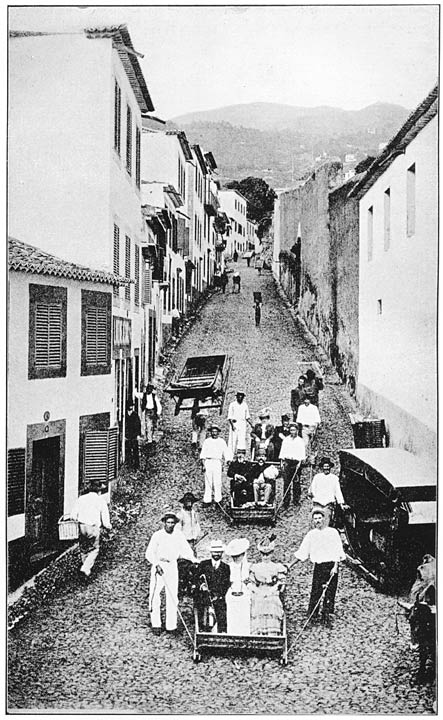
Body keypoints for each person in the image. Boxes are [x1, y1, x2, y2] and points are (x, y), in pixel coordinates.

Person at [145, 510, 197, 634]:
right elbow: (149, 553)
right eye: (168, 522)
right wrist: (156, 564)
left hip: (172, 566)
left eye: (172, 523)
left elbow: (186, 550)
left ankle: (171, 625)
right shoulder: (157, 535)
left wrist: (194, 560)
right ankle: (156, 624)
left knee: (173, 595)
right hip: (159, 566)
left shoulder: (178, 535)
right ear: (164, 523)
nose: (170, 525)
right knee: (155, 595)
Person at [292, 508, 346, 626]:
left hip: (331, 566)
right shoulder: (311, 535)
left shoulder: (333, 532)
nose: (317, 521)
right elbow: (302, 552)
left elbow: (338, 550)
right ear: (313, 521)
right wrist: (290, 565)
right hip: (319, 566)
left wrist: (335, 567)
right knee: (316, 590)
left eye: (319, 518)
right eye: (315, 519)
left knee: (330, 592)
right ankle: (312, 615)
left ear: (324, 519)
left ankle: (326, 616)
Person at [70, 480, 112, 579]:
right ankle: (85, 568)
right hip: (93, 528)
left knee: (84, 549)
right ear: (99, 491)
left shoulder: (81, 499)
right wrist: (108, 526)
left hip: (82, 527)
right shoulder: (101, 501)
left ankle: (85, 571)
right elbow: (105, 520)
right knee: (95, 549)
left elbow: (73, 516)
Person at [249, 537, 288, 635]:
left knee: (272, 602)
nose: (265, 557)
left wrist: (274, 589)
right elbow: (251, 583)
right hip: (259, 590)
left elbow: (281, 583)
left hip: (272, 591)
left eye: (268, 554)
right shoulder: (256, 567)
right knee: (257, 601)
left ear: (272, 554)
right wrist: (256, 590)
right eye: (263, 554)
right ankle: (258, 632)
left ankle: (272, 631)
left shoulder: (277, 567)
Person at [195, 540, 231, 633]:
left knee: (221, 615)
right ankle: (203, 631)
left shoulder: (226, 567)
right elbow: (196, 578)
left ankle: (220, 634)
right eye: (214, 552)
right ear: (211, 552)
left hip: (218, 598)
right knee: (202, 613)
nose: (216, 554)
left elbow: (226, 584)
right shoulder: (203, 564)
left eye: (219, 552)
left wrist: (218, 596)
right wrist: (202, 585)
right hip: (204, 598)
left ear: (222, 553)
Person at [200, 424, 232, 506]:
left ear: (218, 432)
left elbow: (226, 452)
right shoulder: (207, 441)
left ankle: (218, 499)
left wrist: (228, 460)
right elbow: (203, 454)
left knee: (217, 481)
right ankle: (207, 500)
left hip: (217, 462)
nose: (214, 433)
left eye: (216, 431)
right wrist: (203, 464)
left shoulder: (221, 441)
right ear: (210, 432)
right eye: (212, 432)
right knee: (208, 481)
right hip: (208, 461)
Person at [225, 538, 251, 635]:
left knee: (244, 616)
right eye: (234, 556)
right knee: (232, 617)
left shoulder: (248, 566)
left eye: (238, 556)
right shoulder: (228, 567)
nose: (236, 558)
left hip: (245, 595)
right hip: (231, 595)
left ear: (243, 554)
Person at [309, 457, 345, 526]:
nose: (326, 468)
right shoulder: (317, 477)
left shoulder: (334, 478)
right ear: (322, 468)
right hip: (318, 503)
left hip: (328, 504)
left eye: (328, 466)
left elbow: (338, 491)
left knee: (326, 522)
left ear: (330, 467)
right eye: (325, 466)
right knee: (316, 522)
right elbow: (312, 489)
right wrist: (311, 493)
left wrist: (341, 503)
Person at [279, 422, 306, 506]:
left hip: (296, 463)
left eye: (294, 430)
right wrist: (282, 462)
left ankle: (296, 500)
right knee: (286, 482)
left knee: (296, 482)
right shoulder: (286, 440)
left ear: (297, 430)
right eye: (291, 430)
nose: (292, 432)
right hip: (287, 462)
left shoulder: (300, 441)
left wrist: (299, 463)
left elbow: (302, 453)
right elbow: (283, 451)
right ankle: (286, 501)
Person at [139, 383, 162, 454]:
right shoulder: (144, 395)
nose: (148, 390)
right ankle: (149, 440)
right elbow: (137, 394)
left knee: (154, 425)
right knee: (148, 425)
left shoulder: (154, 396)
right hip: (147, 411)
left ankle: (153, 437)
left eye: (150, 389)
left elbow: (158, 404)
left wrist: (158, 413)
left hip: (153, 411)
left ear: (151, 390)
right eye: (147, 389)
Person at [125, 403, 141, 470]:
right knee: (128, 450)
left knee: (135, 451)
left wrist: (138, 435)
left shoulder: (135, 415)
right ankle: (129, 464)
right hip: (127, 435)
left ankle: (136, 465)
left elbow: (138, 425)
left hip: (134, 435)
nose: (130, 407)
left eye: (131, 406)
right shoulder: (125, 415)